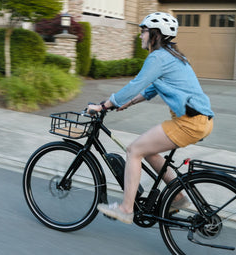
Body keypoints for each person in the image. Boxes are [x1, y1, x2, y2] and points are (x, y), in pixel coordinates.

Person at [88, 12, 214, 224]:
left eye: (143, 31)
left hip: (189, 123)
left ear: (155, 34)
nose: (140, 36)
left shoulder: (157, 57)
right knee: (149, 152)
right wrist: (128, 103)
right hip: (200, 120)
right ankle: (178, 198)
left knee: (134, 150)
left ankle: (126, 209)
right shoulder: (172, 54)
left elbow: (136, 84)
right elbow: (153, 86)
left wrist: (105, 105)